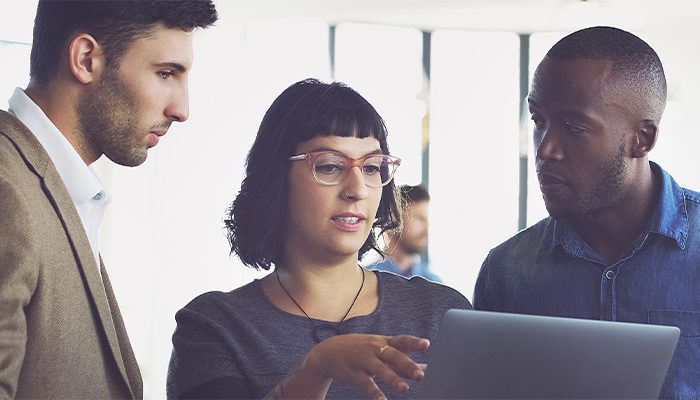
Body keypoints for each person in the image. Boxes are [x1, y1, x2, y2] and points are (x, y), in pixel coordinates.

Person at [167, 79, 471, 399]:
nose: (357, 190)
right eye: (329, 166)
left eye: (370, 168)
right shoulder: (215, 327)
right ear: (276, 179)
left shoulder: (442, 314)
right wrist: (315, 370)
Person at [0, 1, 217, 398]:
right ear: (86, 59)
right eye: (165, 73)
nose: (181, 109)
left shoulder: (59, 188)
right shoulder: (7, 188)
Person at [473, 26, 699, 399]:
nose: (545, 150)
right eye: (538, 121)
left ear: (642, 139)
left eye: (573, 127)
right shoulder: (507, 271)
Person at [370, 185, 442, 282]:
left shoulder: (435, 285)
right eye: (419, 218)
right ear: (392, 220)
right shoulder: (366, 280)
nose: (426, 229)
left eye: (427, 221)